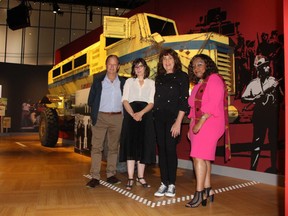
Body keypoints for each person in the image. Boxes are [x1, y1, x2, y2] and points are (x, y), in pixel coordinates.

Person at [186, 54, 229, 208]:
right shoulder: (198, 85)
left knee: (197, 156)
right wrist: (191, 126)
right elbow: (192, 107)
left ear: (207, 65)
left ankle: (198, 194)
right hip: (198, 122)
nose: (196, 68)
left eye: (199, 64)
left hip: (210, 121)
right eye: (194, 66)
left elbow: (214, 102)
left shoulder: (214, 79)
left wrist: (200, 123)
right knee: (204, 157)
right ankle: (208, 190)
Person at [153, 48, 189, 197]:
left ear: (175, 60)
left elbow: (183, 101)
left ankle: (172, 184)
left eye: (170, 59)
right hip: (159, 118)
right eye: (164, 59)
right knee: (162, 151)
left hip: (173, 119)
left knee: (170, 150)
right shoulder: (158, 78)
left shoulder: (182, 76)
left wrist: (178, 122)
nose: (167, 62)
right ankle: (163, 182)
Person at [86, 55, 126, 188]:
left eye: (115, 64)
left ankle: (111, 174)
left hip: (117, 118)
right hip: (101, 117)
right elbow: (90, 101)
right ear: (106, 65)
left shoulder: (123, 82)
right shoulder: (98, 82)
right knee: (97, 147)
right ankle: (95, 177)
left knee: (113, 148)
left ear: (118, 66)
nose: (112, 67)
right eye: (110, 64)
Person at [119, 58, 156, 190]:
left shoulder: (151, 83)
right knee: (131, 147)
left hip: (145, 117)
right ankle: (130, 178)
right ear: (134, 69)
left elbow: (151, 102)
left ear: (145, 68)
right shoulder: (129, 81)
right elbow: (125, 100)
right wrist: (133, 114)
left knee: (143, 147)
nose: (139, 69)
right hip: (131, 116)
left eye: (141, 66)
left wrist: (140, 114)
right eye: (136, 67)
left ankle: (140, 177)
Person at [241, 55, 282, 173]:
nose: (268, 68)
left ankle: (274, 167)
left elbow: (282, 97)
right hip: (259, 117)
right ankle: (253, 169)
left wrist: (277, 89)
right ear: (259, 69)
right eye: (264, 67)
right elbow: (244, 98)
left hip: (272, 117)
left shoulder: (273, 81)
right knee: (257, 143)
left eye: (267, 66)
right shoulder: (253, 84)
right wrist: (255, 97)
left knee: (273, 142)